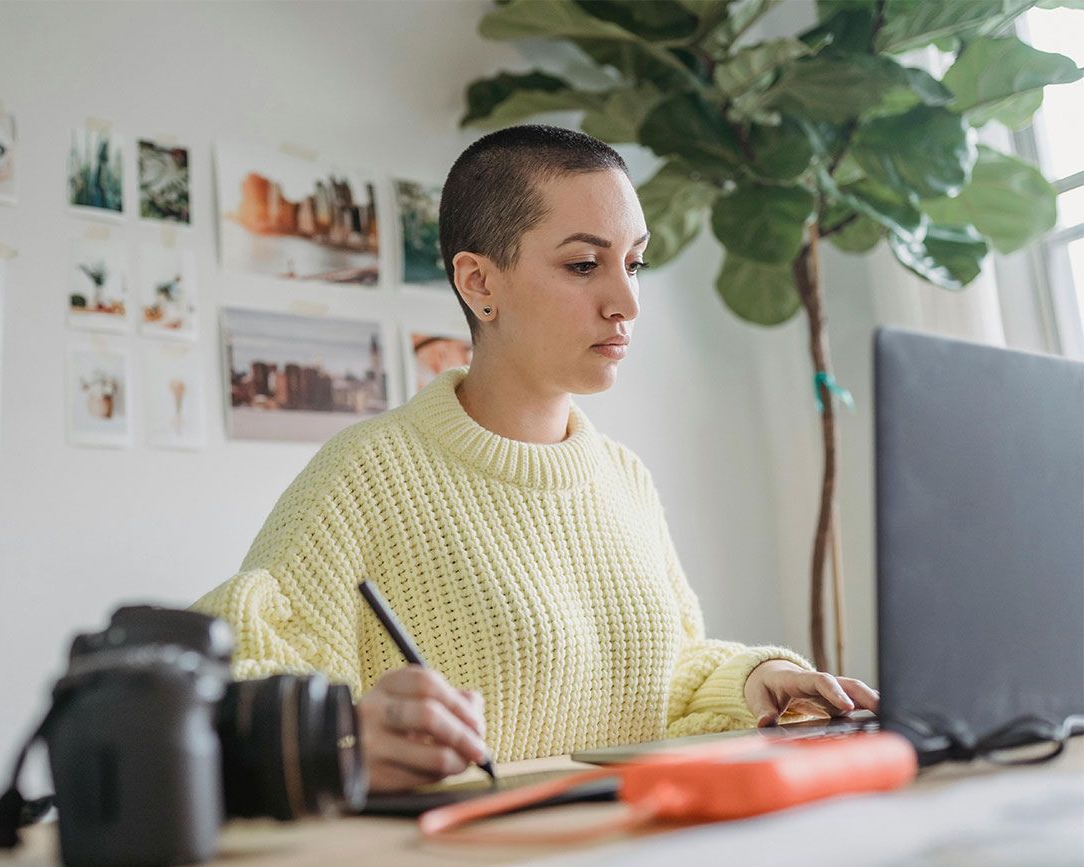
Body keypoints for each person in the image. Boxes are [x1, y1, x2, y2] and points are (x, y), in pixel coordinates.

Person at [192, 125, 880, 794]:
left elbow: (660, 678)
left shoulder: (623, 478)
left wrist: (751, 680)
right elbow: (228, 690)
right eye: (585, 264)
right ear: (479, 284)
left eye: (633, 263)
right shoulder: (365, 475)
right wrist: (345, 735)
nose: (627, 301)